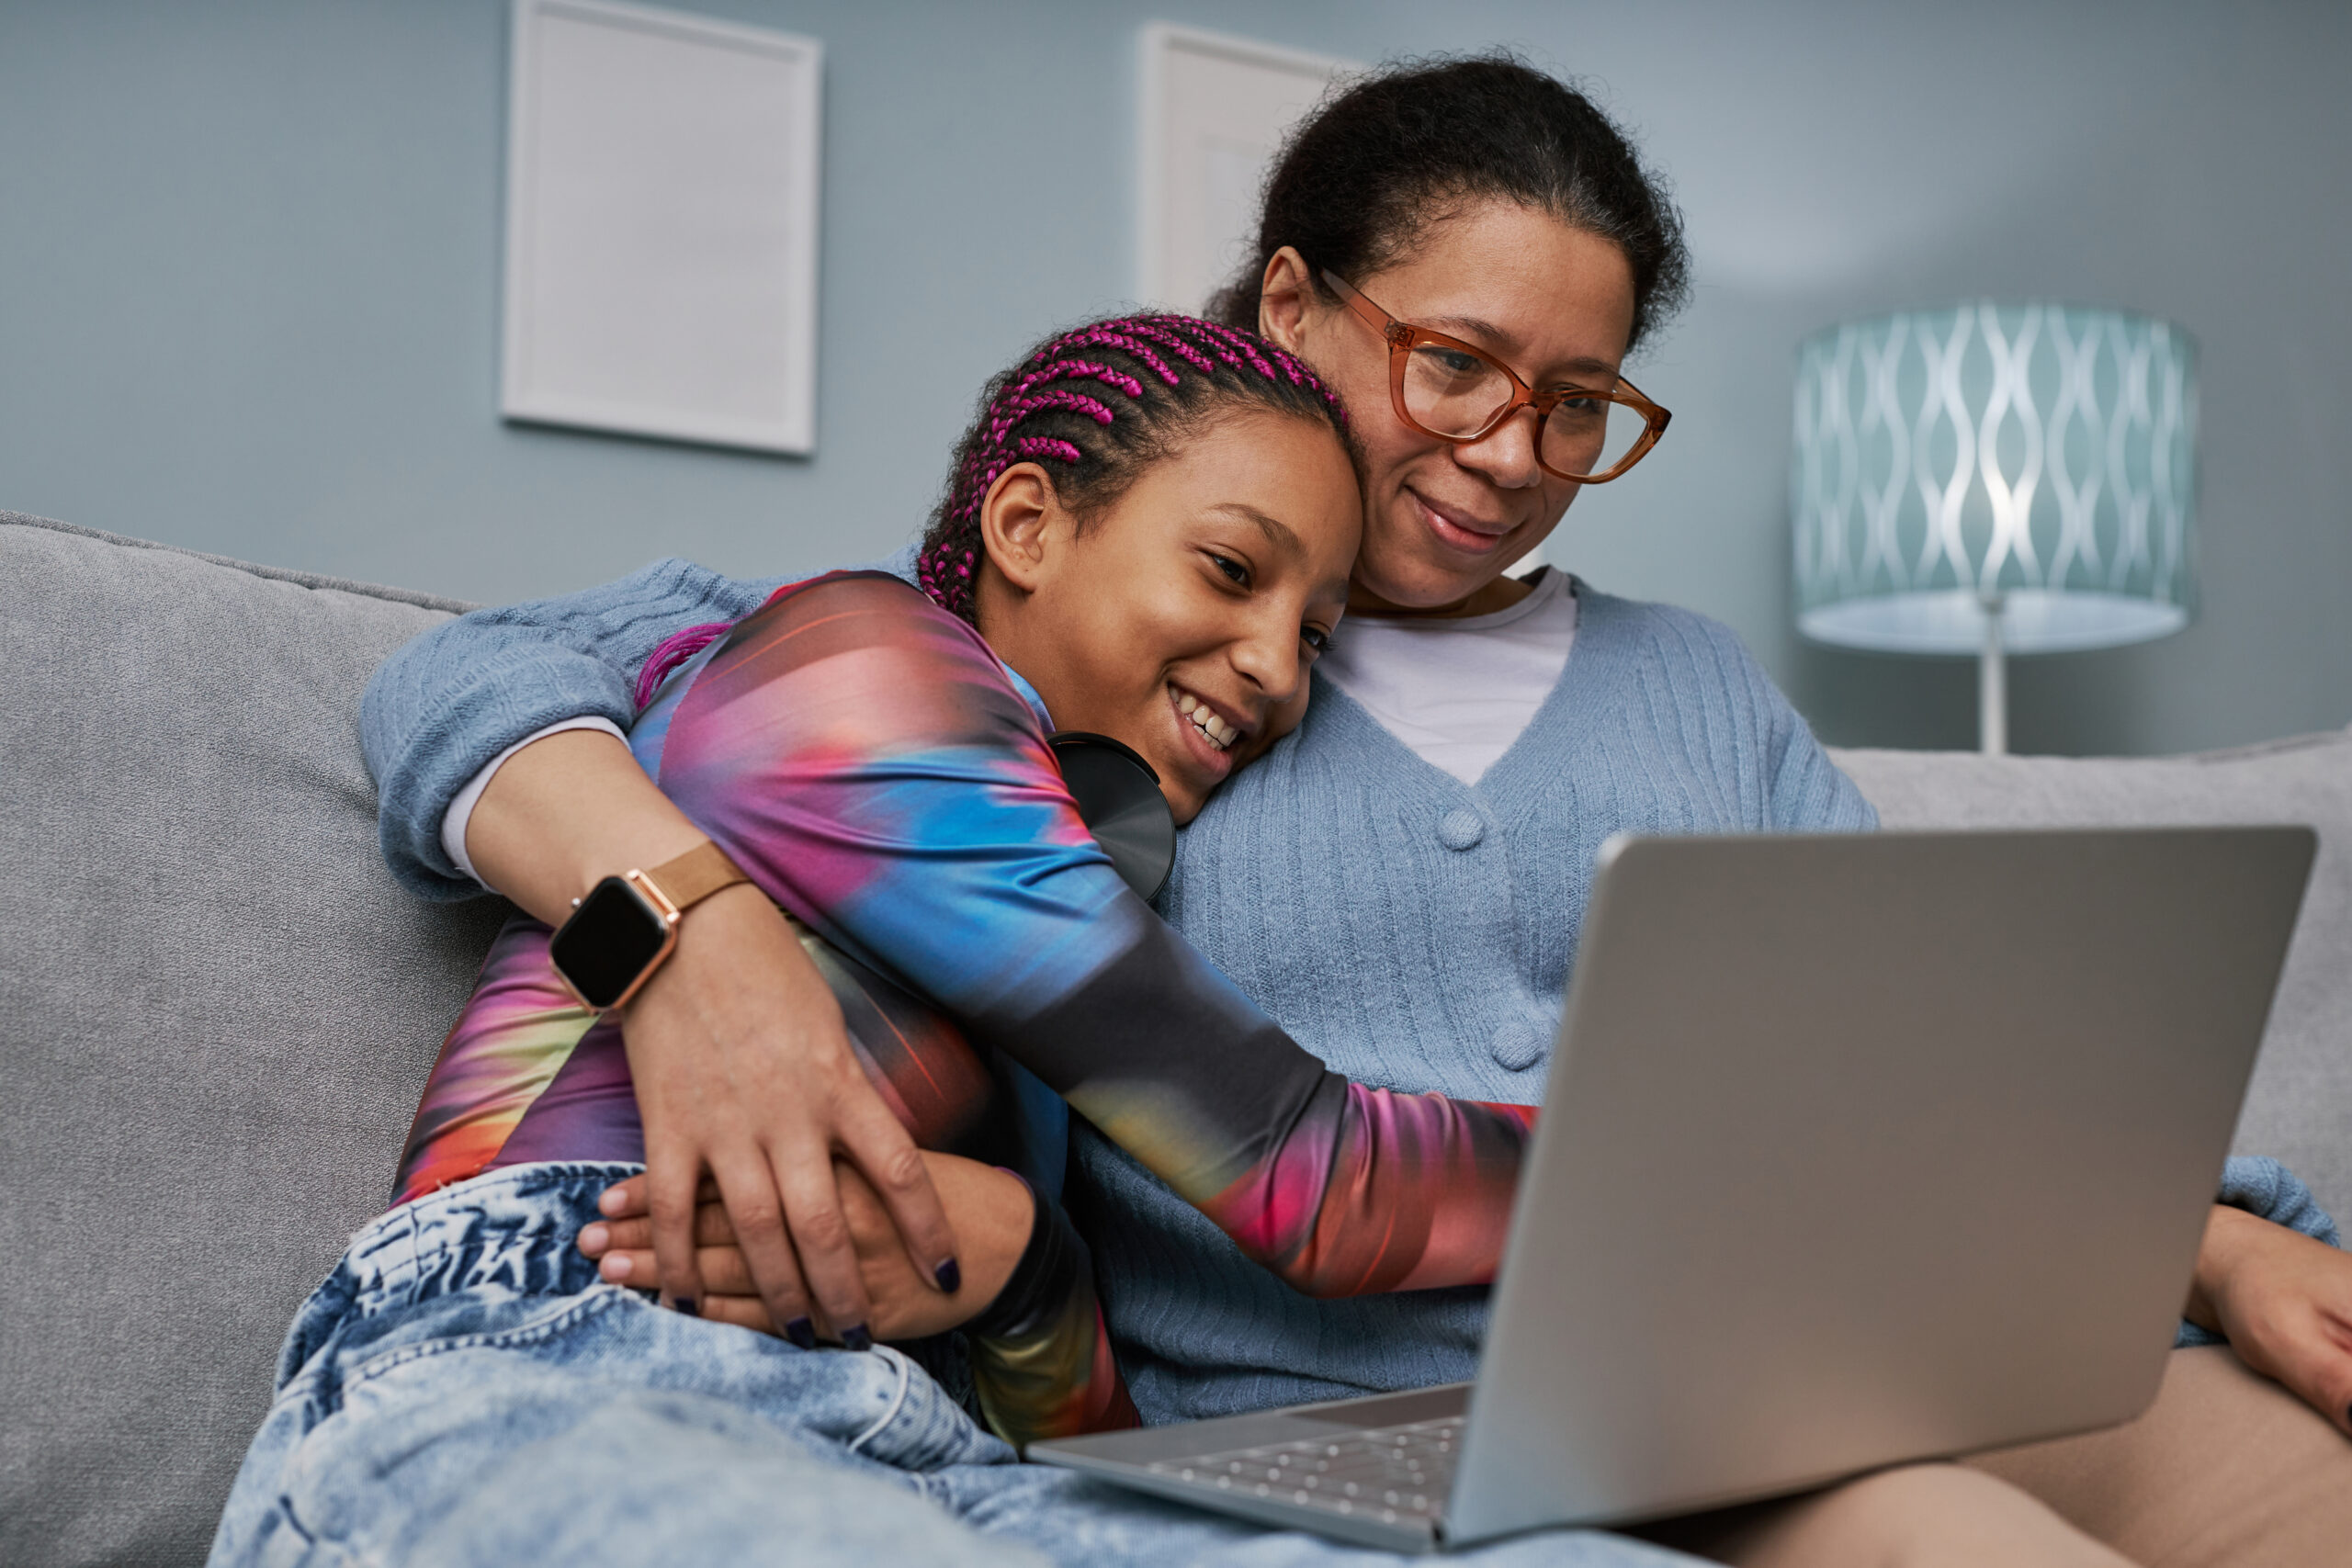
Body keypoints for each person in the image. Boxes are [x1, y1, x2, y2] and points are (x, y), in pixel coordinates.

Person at [345, 53, 2352, 1567]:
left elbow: (1915, 1076)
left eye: (1577, 402)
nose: (1510, 449)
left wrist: (2216, 1247)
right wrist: (687, 931)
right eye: (1457, 363)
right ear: (1293, 307)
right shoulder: (1022, 643)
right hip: (1387, 1435)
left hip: (1794, 1368)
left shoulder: (1689, 689)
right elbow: (474, 677)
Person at [374, 313, 1546, 1454]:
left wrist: (1022, 1257)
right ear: (1027, 526)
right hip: (543, 1341)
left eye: (1315, 637)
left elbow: (1068, 1442)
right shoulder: (858, 672)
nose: (1276, 666)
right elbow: (1318, 1184)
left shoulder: (1030, 922)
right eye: (1232, 570)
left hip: (905, 1447)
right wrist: (1675, 1164)